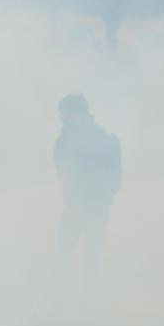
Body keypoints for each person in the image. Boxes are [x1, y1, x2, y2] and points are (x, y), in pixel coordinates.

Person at [52, 95, 122, 269]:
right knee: (67, 251)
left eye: (64, 113)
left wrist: (99, 193)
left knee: (88, 254)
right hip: (79, 203)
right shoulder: (65, 139)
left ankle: (85, 292)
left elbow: (114, 178)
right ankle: (64, 289)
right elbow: (62, 169)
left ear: (77, 113)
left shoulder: (103, 140)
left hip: (93, 204)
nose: (61, 118)